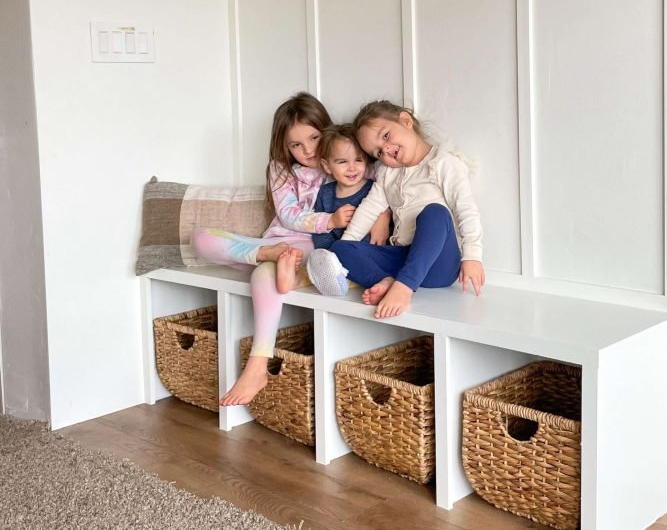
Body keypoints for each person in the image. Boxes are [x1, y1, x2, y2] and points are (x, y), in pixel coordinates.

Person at [191, 93, 387, 406]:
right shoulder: (281, 169)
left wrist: (383, 215)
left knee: (264, 277)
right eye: (297, 144)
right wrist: (328, 219)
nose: (308, 150)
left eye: (314, 138)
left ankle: (257, 366)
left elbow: (384, 185)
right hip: (275, 244)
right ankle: (270, 258)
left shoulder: (342, 161)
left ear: (325, 131)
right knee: (200, 238)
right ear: (285, 147)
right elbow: (287, 214)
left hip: (312, 247)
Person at [307, 100, 485, 318]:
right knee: (339, 247)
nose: (386, 150)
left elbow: (465, 208)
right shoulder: (387, 173)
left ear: (406, 121)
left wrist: (472, 256)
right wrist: (349, 243)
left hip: (439, 265)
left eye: (385, 136)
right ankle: (386, 282)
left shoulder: (443, 163)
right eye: (378, 153)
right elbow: (370, 208)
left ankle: (403, 288)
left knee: (435, 213)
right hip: (403, 260)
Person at [311, 124, 375, 257]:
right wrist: (328, 253)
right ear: (327, 166)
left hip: (370, 252)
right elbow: (320, 233)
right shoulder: (325, 193)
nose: (352, 168)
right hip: (336, 255)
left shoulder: (373, 189)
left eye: (358, 160)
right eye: (342, 162)